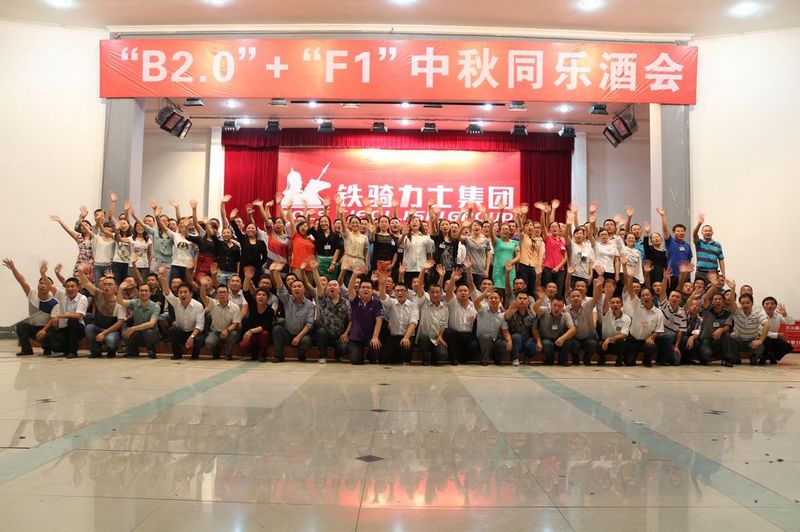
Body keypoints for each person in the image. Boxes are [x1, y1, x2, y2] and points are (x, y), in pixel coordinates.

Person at [4, 259, 60, 356]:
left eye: (45, 283)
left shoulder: (54, 302)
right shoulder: (32, 293)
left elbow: (53, 320)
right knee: (21, 325)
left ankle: (48, 349)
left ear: (50, 287)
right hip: (34, 328)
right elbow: (22, 281)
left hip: (46, 329)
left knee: (52, 332)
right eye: (41, 283)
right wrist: (13, 269)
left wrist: (43, 330)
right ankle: (27, 350)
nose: (42, 285)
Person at [270, 261, 315, 362]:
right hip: (288, 334)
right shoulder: (287, 300)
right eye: (294, 287)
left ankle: (301, 356)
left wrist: (298, 337)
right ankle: (279, 356)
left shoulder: (310, 305)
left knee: (307, 340)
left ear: (304, 289)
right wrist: (276, 272)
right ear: (291, 290)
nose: (296, 288)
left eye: (299, 286)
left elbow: (309, 324)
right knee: (277, 329)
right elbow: (281, 287)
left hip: (302, 335)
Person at [77, 268, 125, 358]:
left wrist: (103, 333)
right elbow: (86, 283)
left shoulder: (120, 302)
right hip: (98, 328)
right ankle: (96, 350)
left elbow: (120, 322)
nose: (107, 287)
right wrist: (80, 271)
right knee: (89, 328)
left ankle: (111, 350)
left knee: (110, 340)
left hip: (112, 331)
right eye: (105, 284)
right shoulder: (98, 294)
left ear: (116, 288)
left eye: (110, 284)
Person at [160, 267, 205, 360]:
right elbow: (167, 294)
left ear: (191, 294)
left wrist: (192, 336)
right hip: (181, 332)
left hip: (193, 333)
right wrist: (163, 280)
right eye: (180, 292)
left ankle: (195, 355)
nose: (183, 295)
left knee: (199, 339)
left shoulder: (198, 305)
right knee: (172, 330)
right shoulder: (176, 302)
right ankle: (177, 354)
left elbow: (200, 325)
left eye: (185, 292)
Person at [39, 276, 88, 359]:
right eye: (67, 287)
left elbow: (78, 315)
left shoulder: (82, 298)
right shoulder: (62, 295)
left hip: (78, 328)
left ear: (78, 288)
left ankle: (72, 351)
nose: (69, 289)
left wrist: (59, 316)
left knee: (72, 320)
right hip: (65, 328)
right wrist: (43, 273)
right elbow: (50, 286)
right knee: (50, 343)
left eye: (72, 286)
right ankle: (66, 349)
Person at [311, 262, 350, 363]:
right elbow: (318, 284)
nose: (332, 286)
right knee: (320, 332)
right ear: (327, 289)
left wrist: (346, 333)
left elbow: (351, 320)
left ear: (339, 289)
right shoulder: (323, 299)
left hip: (339, 335)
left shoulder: (346, 302)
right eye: (330, 285)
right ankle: (323, 356)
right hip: (325, 335)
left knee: (344, 348)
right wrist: (314, 269)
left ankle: (338, 355)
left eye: (334, 285)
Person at [622, 271, 664, 367]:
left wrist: (652, 337)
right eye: (643, 295)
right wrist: (630, 277)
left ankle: (647, 358)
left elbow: (659, 330)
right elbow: (630, 291)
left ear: (652, 296)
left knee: (652, 346)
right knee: (629, 363)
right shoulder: (636, 305)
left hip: (646, 340)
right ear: (640, 298)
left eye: (647, 295)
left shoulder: (658, 313)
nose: (645, 297)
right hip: (633, 340)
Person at [378, 270, 419, 365]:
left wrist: (406, 338)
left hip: (407, 336)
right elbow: (383, 297)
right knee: (383, 360)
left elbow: (413, 324)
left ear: (407, 293)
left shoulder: (413, 305)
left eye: (402, 291)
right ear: (394, 292)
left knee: (406, 358)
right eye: (397, 291)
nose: (400, 293)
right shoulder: (391, 303)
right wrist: (382, 284)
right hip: (393, 336)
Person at [414, 260, 449, 366]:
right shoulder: (424, 302)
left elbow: (444, 324)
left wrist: (440, 336)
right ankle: (426, 357)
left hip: (436, 338)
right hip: (424, 338)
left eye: (437, 292)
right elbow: (419, 286)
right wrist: (423, 269)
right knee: (424, 337)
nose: (435, 294)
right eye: (432, 292)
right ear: (428, 292)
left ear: (441, 293)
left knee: (443, 355)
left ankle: (434, 355)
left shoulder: (445, 308)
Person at [347, 268, 383, 365]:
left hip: (370, 336)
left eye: (368, 287)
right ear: (359, 290)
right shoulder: (355, 300)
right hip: (356, 336)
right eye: (363, 287)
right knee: (356, 361)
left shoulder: (376, 302)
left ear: (372, 290)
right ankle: (359, 354)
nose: (365, 289)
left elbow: (379, 320)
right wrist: (354, 274)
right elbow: (350, 288)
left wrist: (375, 337)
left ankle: (370, 356)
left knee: (376, 346)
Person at [117, 279, 161, 358]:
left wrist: (133, 328)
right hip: (138, 333)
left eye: (146, 291)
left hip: (152, 334)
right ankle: (132, 351)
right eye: (141, 291)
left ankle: (151, 351)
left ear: (150, 293)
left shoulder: (155, 307)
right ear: (138, 292)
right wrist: (120, 289)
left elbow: (151, 324)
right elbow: (120, 301)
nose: (143, 293)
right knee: (126, 331)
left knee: (149, 332)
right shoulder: (135, 302)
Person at [443, 268, 478, 365]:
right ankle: (453, 359)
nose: (463, 292)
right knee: (449, 332)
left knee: (475, 345)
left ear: (469, 294)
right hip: (454, 335)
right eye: (460, 291)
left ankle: (463, 359)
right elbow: (449, 292)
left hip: (468, 335)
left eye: (465, 291)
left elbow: (471, 284)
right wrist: (452, 279)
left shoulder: (474, 305)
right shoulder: (453, 302)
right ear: (456, 293)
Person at [727, 286, 769, 365]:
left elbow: (767, 325)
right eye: (743, 303)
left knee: (760, 346)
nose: (745, 305)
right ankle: (736, 359)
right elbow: (731, 302)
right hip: (738, 340)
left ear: (752, 303)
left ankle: (753, 359)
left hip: (752, 342)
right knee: (731, 338)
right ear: (740, 304)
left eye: (748, 303)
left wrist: (760, 340)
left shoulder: (758, 312)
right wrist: (732, 288)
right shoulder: (737, 311)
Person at [199, 281, 241, 360]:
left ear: (228, 294)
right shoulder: (212, 303)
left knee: (234, 334)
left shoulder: (235, 307)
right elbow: (203, 296)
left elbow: (235, 323)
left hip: (229, 332)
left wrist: (227, 330)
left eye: (224, 292)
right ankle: (216, 354)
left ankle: (228, 355)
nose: (222, 294)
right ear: (216, 295)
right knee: (209, 342)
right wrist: (203, 285)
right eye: (220, 292)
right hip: (215, 332)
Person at [567, 277, 604, 366]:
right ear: (569, 299)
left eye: (578, 296)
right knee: (571, 343)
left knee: (592, 344)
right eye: (573, 296)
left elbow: (596, 297)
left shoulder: (587, 305)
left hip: (588, 337)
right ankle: (575, 357)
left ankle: (586, 358)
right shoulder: (565, 309)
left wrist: (598, 286)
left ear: (582, 298)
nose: (576, 298)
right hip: (574, 337)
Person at [699, 275, 733, 366]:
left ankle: (727, 359)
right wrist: (714, 285)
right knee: (706, 355)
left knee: (727, 335)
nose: (718, 301)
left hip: (719, 339)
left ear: (723, 301)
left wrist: (721, 329)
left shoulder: (727, 312)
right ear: (712, 301)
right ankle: (707, 356)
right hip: (706, 339)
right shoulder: (707, 309)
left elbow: (727, 326)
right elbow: (705, 298)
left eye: (720, 299)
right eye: (715, 299)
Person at [534, 294, 577, 366]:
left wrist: (563, 338)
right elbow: (535, 308)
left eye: (560, 306)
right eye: (554, 305)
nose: (557, 308)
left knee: (569, 341)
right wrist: (540, 299)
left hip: (558, 339)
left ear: (563, 307)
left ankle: (562, 360)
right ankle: (549, 359)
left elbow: (573, 329)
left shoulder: (565, 314)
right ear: (550, 305)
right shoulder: (545, 310)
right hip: (546, 338)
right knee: (547, 344)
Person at [657, 207, 693, 291]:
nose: (680, 233)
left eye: (682, 231)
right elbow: (665, 229)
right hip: (672, 275)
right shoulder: (670, 241)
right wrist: (662, 216)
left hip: (684, 277)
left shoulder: (687, 245)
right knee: (673, 295)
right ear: (674, 232)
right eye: (678, 231)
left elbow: (689, 261)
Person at [475, 288, 512, 365]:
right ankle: (485, 359)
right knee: (486, 337)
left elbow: (505, 331)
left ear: (501, 300)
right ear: (487, 300)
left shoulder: (502, 315)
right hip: (481, 340)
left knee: (505, 345)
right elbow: (476, 303)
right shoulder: (482, 309)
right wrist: (483, 295)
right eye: (491, 298)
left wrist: (509, 341)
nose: (493, 300)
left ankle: (496, 357)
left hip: (495, 341)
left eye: (496, 298)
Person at [239, 287, 275, 362]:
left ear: (268, 299)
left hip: (263, 334)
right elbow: (246, 292)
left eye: (264, 295)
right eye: (259, 294)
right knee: (243, 347)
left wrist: (250, 331)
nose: (261, 296)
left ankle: (263, 354)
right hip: (253, 334)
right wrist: (247, 279)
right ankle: (254, 353)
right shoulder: (252, 304)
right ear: (255, 297)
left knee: (265, 334)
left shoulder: (270, 310)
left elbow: (265, 326)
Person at [599, 280, 631, 366]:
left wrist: (609, 339)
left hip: (616, 344)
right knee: (597, 344)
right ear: (610, 305)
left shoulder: (626, 318)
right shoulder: (607, 313)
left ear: (621, 304)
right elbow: (605, 307)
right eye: (612, 303)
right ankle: (602, 358)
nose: (615, 304)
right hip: (605, 344)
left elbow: (624, 334)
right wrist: (607, 294)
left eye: (617, 302)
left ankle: (619, 359)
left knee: (622, 342)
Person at [398, 215, 433, 288]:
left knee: (421, 289)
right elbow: (399, 244)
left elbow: (429, 253)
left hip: (422, 268)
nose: (414, 222)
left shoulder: (426, 237)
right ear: (409, 224)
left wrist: (429, 269)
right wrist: (403, 235)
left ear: (420, 224)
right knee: (409, 290)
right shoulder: (405, 236)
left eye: (416, 221)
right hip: (408, 269)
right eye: (412, 221)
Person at [504, 291, 537, 366]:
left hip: (527, 339)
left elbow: (534, 330)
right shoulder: (511, 312)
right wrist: (510, 309)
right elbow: (506, 317)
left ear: (528, 302)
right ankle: (515, 358)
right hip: (515, 340)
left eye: (524, 299)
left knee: (531, 343)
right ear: (516, 300)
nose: (522, 300)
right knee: (516, 337)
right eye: (520, 298)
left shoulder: (531, 315)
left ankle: (527, 357)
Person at [657, 289, 688, 366]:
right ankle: (662, 360)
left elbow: (680, 331)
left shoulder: (682, 313)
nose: (674, 298)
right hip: (658, 336)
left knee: (676, 361)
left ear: (680, 301)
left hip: (671, 339)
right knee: (670, 335)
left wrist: (676, 346)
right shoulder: (664, 306)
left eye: (677, 297)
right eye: (673, 296)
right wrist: (665, 281)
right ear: (668, 298)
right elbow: (662, 292)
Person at [692, 214, 725, 284]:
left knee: (713, 290)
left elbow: (721, 259)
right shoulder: (699, 242)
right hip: (700, 273)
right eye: (705, 231)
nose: (707, 232)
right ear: (702, 233)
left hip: (713, 274)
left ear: (712, 232)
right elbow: (694, 234)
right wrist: (699, 224)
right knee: (698, 290)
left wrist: (723, 273)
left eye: (709, 231)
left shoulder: (717, 244)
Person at [762, 297, 795, 364]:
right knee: (767, 341)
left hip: (774, 338)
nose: (769, 306)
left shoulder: (778, 316)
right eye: (767, 303)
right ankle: (763, 357)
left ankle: (773, 356)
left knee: (787, 346)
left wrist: (785, 315)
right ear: (763, 306)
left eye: (772, 304)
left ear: (775, 306)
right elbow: (761, 332)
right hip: (762, 338)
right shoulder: (759, 316)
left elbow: (792, 322)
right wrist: (777, 335)